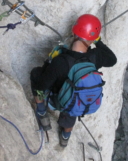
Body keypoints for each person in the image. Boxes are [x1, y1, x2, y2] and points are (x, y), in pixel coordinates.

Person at [30, 14, 117, 147]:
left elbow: (42, 86)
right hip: (75, 104)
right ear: (92, 38)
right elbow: (112, 59)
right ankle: (65, 137)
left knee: (36, 75)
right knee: (74, 99)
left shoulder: (61, 61)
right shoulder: (95, 56)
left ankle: (42, 112)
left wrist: (49, 64)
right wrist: (98, 41)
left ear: (74, 31)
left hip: (57, 101)